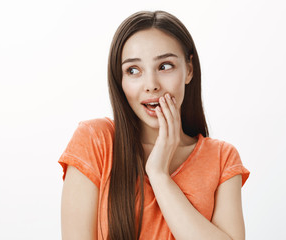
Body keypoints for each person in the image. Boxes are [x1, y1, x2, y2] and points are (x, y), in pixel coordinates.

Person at [58, 10, 250, 240]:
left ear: (189, 70)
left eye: (165, 66)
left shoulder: (222, 158)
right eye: (133, 70)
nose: (151, 85)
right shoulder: (95, 141)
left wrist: (159, 175)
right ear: (120, 80)